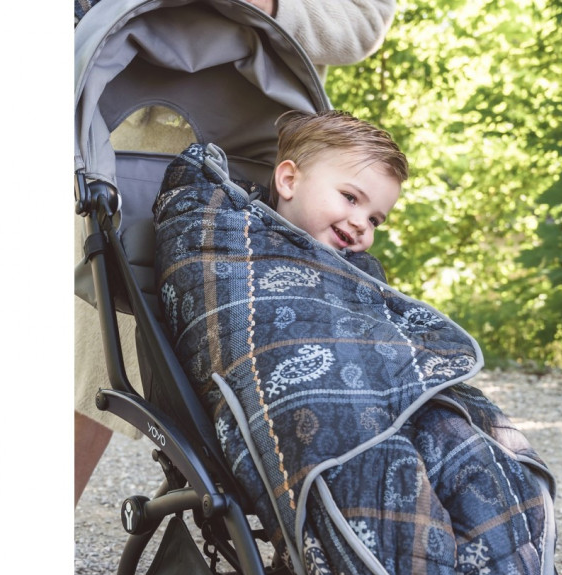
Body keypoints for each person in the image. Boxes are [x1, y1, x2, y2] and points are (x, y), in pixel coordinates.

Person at [75, 0, 398, 505]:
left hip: (256, 123)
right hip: (122, 116)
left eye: (375, 219)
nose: (363, 224)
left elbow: (362, 20)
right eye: (355, 204)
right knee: (92, 359)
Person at [268, 109, 408, 254]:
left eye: (373, 220)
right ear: (289, 181)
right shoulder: (251, 232)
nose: (361, 225)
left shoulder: (358, 266)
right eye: (350, 197)